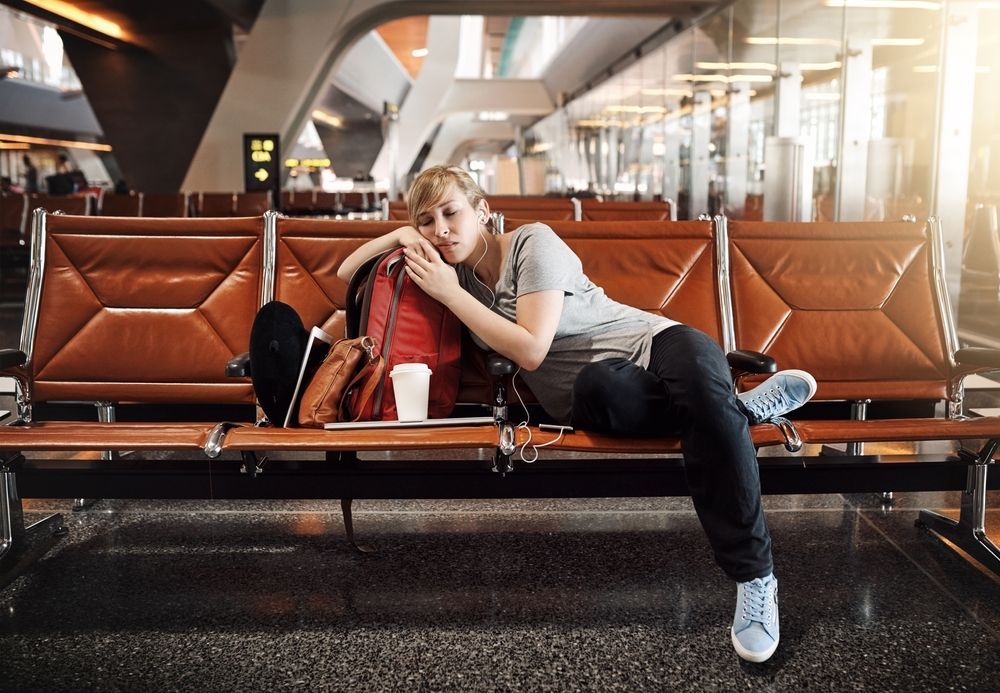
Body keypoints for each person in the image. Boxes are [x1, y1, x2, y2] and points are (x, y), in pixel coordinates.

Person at [337, 165, 818, 663]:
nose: (440, 229)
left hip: (658, 342)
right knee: (625, 389)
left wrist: (449, 292)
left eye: (451, 212)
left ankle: (755, 578)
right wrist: (400, 233)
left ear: (482, 211)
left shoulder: (532, 244)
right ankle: (736, 410)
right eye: (427, 221)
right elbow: (347, 273)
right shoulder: (450, 275)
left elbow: (530, 349)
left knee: (699, 384)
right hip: (597, 394)